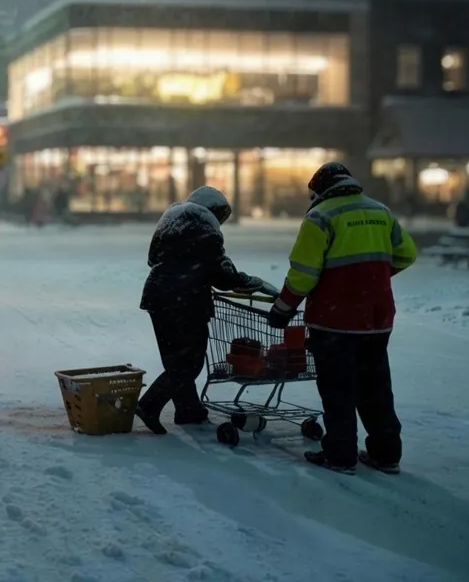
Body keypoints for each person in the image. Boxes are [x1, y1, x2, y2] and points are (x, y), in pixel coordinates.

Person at [268, 162, 418, 475]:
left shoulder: (321, 216)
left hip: (334, 320)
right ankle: (386, 453)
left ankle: (340, 454)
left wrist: (283, 307)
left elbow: (304, 273)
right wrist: (372, 279)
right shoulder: (381, 212)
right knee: (375, 385)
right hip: (377, 319)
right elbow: (407, 254)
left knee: (338, 388)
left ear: (320, 190)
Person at [137, 186, 268, 434]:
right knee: (188, 363)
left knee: (175, 358)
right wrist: (247, 281)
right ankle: (149, 405)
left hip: (157, 296)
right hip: (186, 300)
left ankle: (189, 410)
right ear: (214, 210)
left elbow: (153, 260)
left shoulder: (172, 220)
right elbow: (221, 272)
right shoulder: (204, 224)